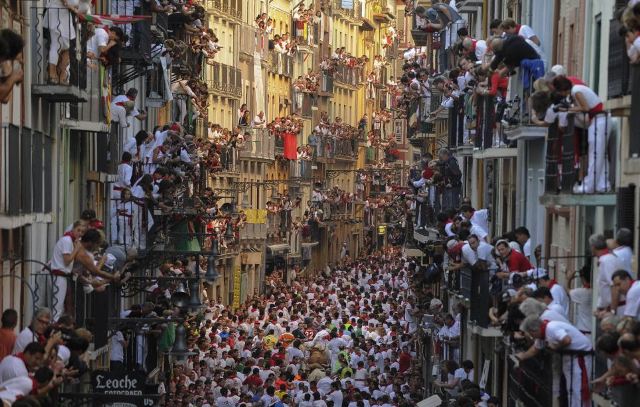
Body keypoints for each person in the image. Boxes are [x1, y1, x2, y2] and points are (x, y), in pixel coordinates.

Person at [552, 76, 610, 194]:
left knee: (595, 154)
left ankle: (589, 186)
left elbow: (585, 108)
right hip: (600, 119)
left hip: (599, 120)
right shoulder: (577, 89)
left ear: (561, 90)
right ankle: (602, 184)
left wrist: (569, 109)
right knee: (599, 154)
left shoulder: (576, 91)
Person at [519, 317, 592, 407]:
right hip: (569, 358)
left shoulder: (551, 328)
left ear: (534, 330)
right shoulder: (542, 333)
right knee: (571, 389)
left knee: (578, 389)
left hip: (579, 357)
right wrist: (522, 356)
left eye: (531, 334)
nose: (531, 337)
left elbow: (567, 340)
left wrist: (556, 346)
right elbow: (535, 348)